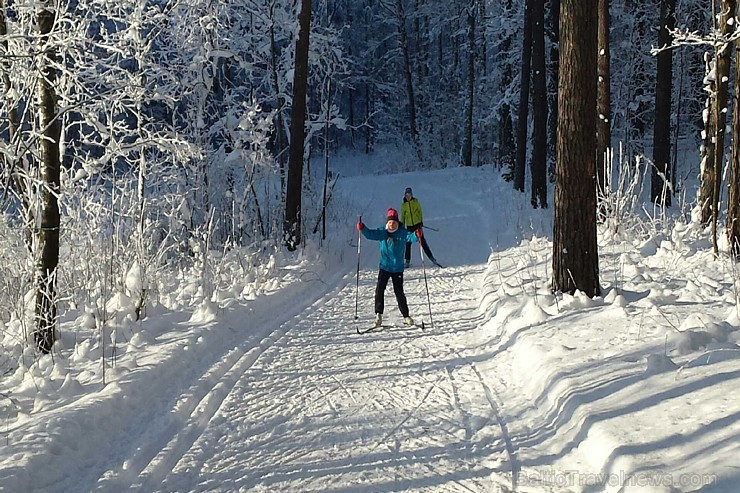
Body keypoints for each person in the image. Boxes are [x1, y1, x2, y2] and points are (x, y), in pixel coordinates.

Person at [357, 208, 422, 328]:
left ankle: (406, 316)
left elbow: (411, 237)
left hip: (397, 268)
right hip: (385, 267)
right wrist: (363, 228)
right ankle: (378, 315)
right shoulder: (383, 231)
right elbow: (371, 234)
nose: (392, 225)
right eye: (390, 223)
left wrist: (417, 235)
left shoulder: (402, 232)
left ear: (397, 223)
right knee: (379, 290)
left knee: (399, 292)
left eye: (394, 223)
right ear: (388, 223)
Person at [400, 187, 438, 267]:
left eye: (409, 195)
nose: (408, 197)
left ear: (411, 195)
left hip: (417, 224)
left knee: (422, 242)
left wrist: (421, 221)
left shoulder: (415, 202)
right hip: (409, 226)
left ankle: (432, 258)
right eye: (406, 195)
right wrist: (402, 226)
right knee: (408, 243)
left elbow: (420, 211)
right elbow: (403, 216)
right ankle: (407, 261)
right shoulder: (404, 205)